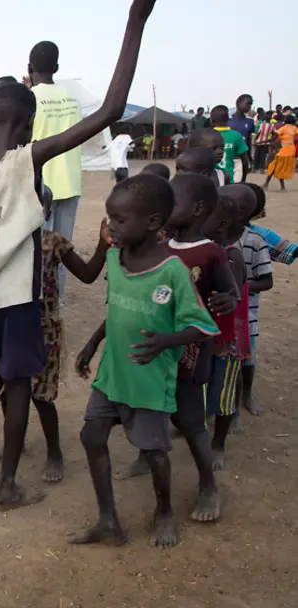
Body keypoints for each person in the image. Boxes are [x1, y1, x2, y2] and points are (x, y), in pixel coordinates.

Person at [0, 0, 155, 510]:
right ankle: (9, 485)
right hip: (17, 302)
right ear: (32, 121)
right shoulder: (28, 161)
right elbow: (109, 110)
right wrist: (136, 21)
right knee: (18, 389)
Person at [72, 174, 218, 550]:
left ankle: (164, 511)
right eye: (109, 218)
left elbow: (202, 326)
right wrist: (92, 344)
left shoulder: (172, 271)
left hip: (149, 381)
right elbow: (117, 310)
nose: (111, 227)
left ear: (153, 222)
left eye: (120, 220)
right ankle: (108, 521)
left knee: (155, 453)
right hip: (112, 374)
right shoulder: (115, 259)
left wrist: (166, 341)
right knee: (91, 437)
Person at [111, 174, 235, 526]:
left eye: (171, 203)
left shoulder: (211, 252)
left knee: (191, 420)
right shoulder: (159, 246)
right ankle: (143, 455)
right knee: (147, 408)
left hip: (190, 349)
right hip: (155, 347)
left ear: (196, 209)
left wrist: (229, 299)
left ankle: (208, 484)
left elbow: (230, 293)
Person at [0, 187, 112, 484]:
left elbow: (87, 274)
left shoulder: (52, 242)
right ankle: (15, 441)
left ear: (45, 212)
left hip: (43, 328)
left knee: (42, 396)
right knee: (8, 393)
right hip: (10, 326)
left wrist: (103, 245)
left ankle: (55, 452)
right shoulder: (3, 240)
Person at [24, 40, 84, 305]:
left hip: (41, 185)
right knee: (63, 248)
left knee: (38, 250)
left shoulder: (30, 98)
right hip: (70, 182)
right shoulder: (73, 98)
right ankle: (56, 301)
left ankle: (36, 300)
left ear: (30, 66)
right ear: (57, 67)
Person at [205, 189, 252, 469]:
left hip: (224, 339)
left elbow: (233, 297)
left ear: (221, 224)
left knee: (222, 396)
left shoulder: (231, 256)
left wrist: (226, 298)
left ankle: (218, 444)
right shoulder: (206, 249)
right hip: (202, 335)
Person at [233, 187, 273, 419]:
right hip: (218, 312)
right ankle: (229, 406)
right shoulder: (210, 237)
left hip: (246, 314)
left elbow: (266, 281)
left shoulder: (256, 239)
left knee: (245, 359)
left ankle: (243, 398)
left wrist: (238, 286)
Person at [210, 105, 249, 185]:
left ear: (212, 120)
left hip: (211, 180)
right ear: (228, 119)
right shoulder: (236, 136)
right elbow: (245, 160)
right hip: (229, 180)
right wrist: (243, 179)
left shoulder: (207, 136)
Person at [263, 115, 298, 192]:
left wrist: (264, 141)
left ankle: (271, 185)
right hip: (291, 150)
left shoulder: (283, 128)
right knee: (276, 167)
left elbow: (274, 136)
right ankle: (268, 185)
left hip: (285, 151)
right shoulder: (294, 128)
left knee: (275, 167)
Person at [228, 95, 256, 181]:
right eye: (247, 104)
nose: (249, 107)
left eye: (251, 104)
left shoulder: (250, 121)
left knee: (239, 182)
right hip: (228, 156)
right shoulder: (227, 120)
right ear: (238, 104)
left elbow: (248, 140)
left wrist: (249, 158)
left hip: (241, 157)